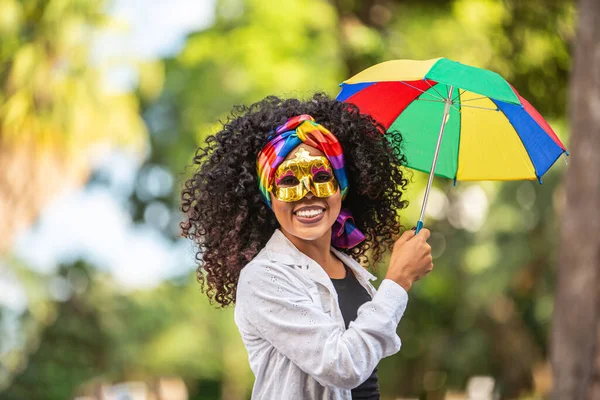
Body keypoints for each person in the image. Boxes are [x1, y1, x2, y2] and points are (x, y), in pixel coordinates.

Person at [181, 93, 434, 400]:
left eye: (322, 176)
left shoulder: (351, 271)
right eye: (288, 181)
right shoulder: (263, 278)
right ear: (268, 197)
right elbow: (341, 366)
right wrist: (398, 280)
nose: (307, 194)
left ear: (341, 187)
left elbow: (366, 373)